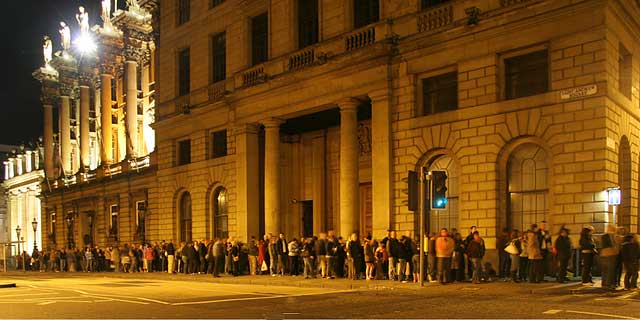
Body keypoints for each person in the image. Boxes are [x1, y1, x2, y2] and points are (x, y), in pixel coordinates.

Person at [600, 224, 619, 290]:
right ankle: (609, 284)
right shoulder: (612, 236)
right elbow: (613, 244)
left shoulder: (603, 236)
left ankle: (604, 283)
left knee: (605, 270)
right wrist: (617, 251)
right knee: (610, 270)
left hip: (603, 254)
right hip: (611, 253)